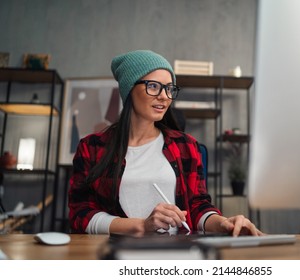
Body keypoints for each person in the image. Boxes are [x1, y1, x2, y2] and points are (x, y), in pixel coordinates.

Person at [68, 50, 262, 237]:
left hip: (176, 253)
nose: (164, 96)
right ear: (129, 89)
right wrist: (142, 226)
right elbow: (80, 214)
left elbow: (197, 206)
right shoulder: (91, 148)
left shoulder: (185, 146)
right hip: (115, 254)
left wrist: (222, 223)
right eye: (153, 86)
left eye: (170, 89)